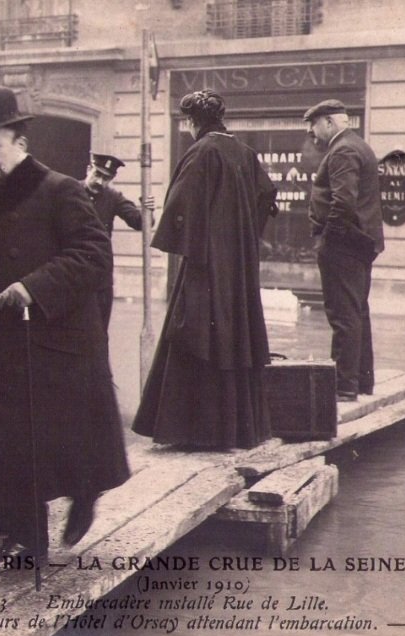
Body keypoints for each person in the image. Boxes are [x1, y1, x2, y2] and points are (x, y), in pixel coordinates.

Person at [0, 87, 130, 570]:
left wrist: (32, 287)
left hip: (56, 341)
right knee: (10, 441)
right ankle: (27, 538)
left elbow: (94, 255)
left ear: (20, 142)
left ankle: (81, 495)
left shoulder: (58, 189)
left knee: (60, 442)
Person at [132, 89, 277, 450]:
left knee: (196, 335)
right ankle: (237, 430)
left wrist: (188, 238)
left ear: (192, 122)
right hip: (238, 268)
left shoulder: (201, 152)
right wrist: (243, 238)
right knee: (234, 337)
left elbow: (181, 205)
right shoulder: (245, 153)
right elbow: (266, 196)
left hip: (207, 266)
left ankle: (194, 431)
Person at [303, 99, 384, 401]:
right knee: (357, 312)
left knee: (343, 315)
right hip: (359, 243)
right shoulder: (358, 145)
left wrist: (328, 239)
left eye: (314, 127)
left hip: (343, 246)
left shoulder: (342, 150)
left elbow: (343, 202)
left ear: (329, 122)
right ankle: (361, 382)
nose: (313, 135)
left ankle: (344, 387)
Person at [82, 153, 151, 331]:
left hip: (100, 276)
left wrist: (147, 210)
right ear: (89, 169)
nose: (100, 181)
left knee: (99, 331)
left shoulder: (113, 197)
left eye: (106, 178)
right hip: (72, 273)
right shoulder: (70, 190)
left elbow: (139, 222)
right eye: (97, 174)